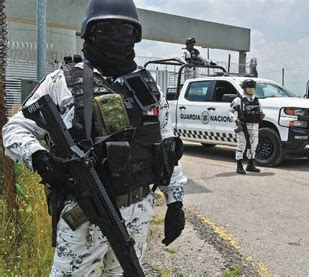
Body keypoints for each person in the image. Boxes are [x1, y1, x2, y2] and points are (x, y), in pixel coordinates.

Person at [2, 0, 186, 275]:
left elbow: (167, 147)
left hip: (138, 212)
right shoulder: (62, 81)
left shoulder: (147, 87)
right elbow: (14, 130)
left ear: (134, 35)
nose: (116, 34)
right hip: (84, 217)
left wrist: (176, 201)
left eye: (124, 28)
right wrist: (39, 158)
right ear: (89, 32)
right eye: (106, 27)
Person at [229, 79, 265, 174]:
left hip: (255, 127)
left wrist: (261, 115)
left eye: (253, 88)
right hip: (243, 126)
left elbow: (260, 111)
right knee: (241, 146)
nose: (251, 89)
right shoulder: (238, 100)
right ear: (244, 88)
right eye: (249, 87)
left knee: (253, 145)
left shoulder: (256, 100)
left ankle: (250, 164)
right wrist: (235, 119)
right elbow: (230, 111)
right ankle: (239, 166)